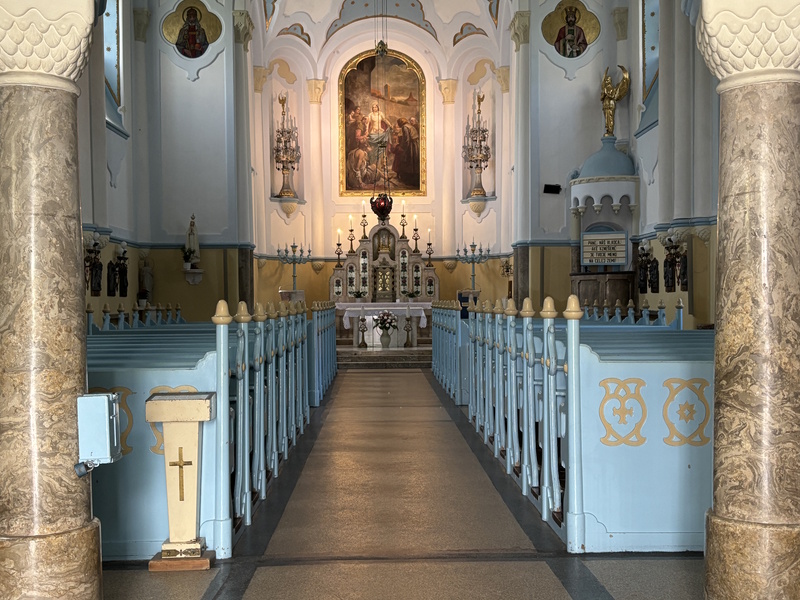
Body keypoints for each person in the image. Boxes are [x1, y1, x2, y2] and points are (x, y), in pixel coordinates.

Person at [601, 65, 630, 137]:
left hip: (611, 104)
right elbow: (601, 98)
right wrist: (604, 93)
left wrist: (607, 92)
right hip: (606, 105)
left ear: (610, 81)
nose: (607, 82)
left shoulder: (611, 88)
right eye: (606, 81)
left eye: (608, 80)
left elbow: (613, 95)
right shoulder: (605, 88)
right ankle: (608, 130)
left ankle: (610, 131)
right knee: (607, 119)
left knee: (610, 118)